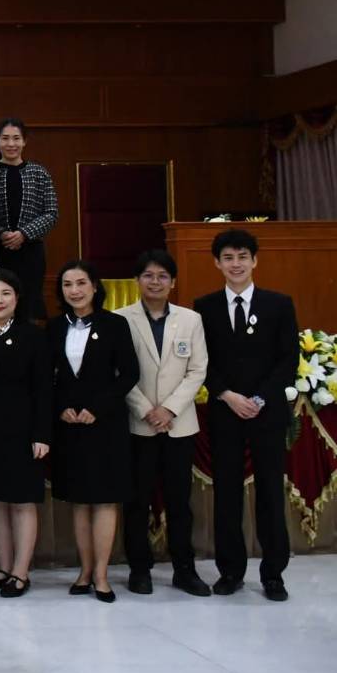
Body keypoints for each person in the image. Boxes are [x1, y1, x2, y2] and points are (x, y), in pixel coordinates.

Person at [194, 228, 298, 601]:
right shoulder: (204, 307)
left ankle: (273, 574)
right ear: (217, 263)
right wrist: (227, 395)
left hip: (266, 413)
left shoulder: (278, 304)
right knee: (227, 493)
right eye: (228, 258)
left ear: (254, 260)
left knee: (270, 492)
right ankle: (230, 571)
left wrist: (259, 398)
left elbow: (288, 359)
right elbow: (202, 361)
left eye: (242, 257)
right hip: (225, 412)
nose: (235, 264)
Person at [116, 249, 210, 597]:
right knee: (137, 501)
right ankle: (139, 569)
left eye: (162, 276)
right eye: (148, 275)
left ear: (173, 282)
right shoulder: (120, 319)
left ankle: (185, 569)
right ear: (137, 280)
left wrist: (168, 410)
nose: (155, 282)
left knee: (179, 501)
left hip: (178, 425)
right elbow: (118, 371)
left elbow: (197, 370)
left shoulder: (191, 320)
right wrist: (146, 409)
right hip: (138, 424)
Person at [48, 260, 139, 603]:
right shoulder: (54, 327)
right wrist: (61, 407)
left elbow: (129, 373)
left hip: (105, 424)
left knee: (104, 499)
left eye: (81, 283)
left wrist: (97, 408)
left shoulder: (115, 324)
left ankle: (101, 574)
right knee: (79, 501)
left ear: (95, 286)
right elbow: (47, 376)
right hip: (69, 426)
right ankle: (84, 571)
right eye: (67, 284)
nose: (75, 290)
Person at [0, 269, 52, 599]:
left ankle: (21, 572)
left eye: (6, 293)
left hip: (23, 431)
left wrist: (42, 434)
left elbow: (44, 389)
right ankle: (3, 568)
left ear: (17, 299)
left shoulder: (33, 336)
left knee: (21, 502)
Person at [0, 119, 59, 321]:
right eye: (5, 138)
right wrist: (0, 233)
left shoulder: (39, 173)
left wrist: (24, 233)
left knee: (29, 305)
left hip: (30, 252)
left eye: (16, 138)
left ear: (24, 141)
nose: (11, 144)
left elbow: (51, 213)